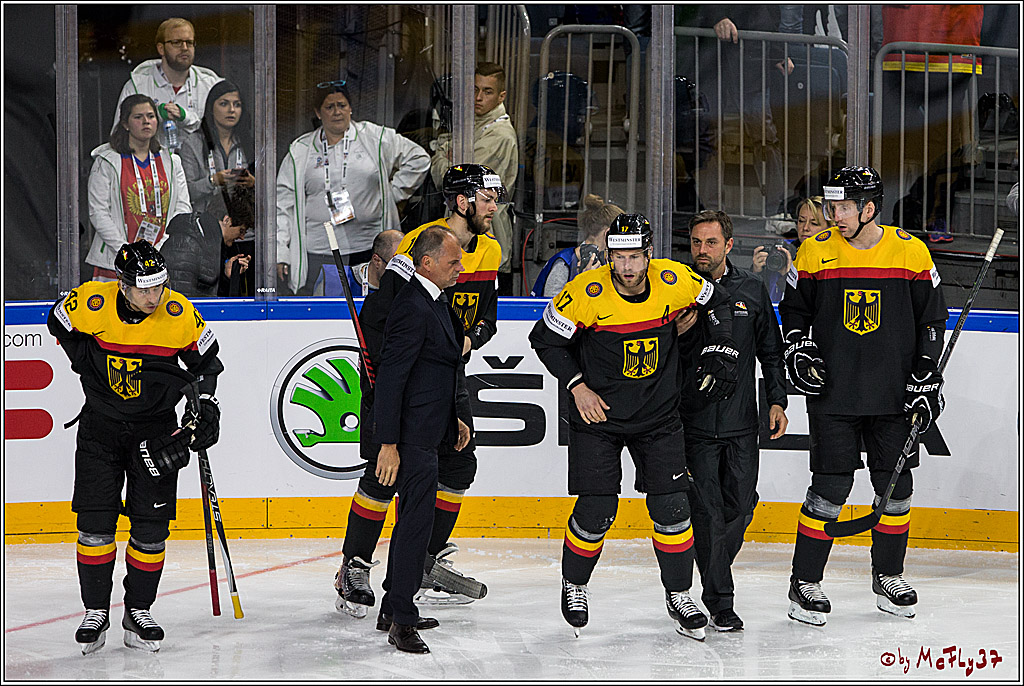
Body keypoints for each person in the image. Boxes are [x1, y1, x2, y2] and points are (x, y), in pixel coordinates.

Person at [529, 214, 739, 640]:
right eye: (618, 257)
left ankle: (679, 593)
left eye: (634, 257)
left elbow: (719, 302)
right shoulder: (583, 293)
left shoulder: (674, 277)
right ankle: (575, 584)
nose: (626, 267)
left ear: (649, 254)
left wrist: (714, 338)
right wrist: (577, 386)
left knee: (673, 510)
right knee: (596, 510)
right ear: (609, 255)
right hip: (598, 420)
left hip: (658, 418)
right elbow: (545, 340)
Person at [333, 165, 505, 618]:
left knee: (459, 464)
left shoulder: (490, 252)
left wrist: (467, 340)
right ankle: (354, 564)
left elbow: (487, 320)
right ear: (463, 201)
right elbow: (379, 316)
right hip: (402, 376)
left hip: (448, 377)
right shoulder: (418, 246)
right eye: (487, 199)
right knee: (385, 471)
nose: (494, 207)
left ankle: (420, 562)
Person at [779, 166, 947, 626]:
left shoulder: (911, 252)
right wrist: (798, 346)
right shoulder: (813, 251)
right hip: (834, 393)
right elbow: (794, 311)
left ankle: (888, 576)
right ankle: (804, 582)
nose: (834, 215)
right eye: (832, 206)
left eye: (843, 207)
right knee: (830, 489)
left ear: (869, 209)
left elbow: (932, 321)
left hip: (894, 395)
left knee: (896, 490)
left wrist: (927, 375)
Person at [46, 241, 224, 654]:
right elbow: (57, 320)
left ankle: (138, 610)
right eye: (144, 289)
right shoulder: (92, 300)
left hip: (155, 432)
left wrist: (208, 407)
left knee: (150, 531)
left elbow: (208, 362)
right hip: (100, 430)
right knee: (94, 526)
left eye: (159, 287)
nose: (154, 297)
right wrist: (84, 360)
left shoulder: (178, 313)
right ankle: (95, 611)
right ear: (122, 284)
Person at [676, 210, 789, 632]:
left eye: (710, 243)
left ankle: (710, 569)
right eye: (696, 243)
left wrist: (777, 401)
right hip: (695, 424)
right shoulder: (676, 290)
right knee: (706, 513)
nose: (702, 251)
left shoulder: (752, 289)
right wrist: (681, 332)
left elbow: (771, 353)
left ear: (728, 244)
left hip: (743, 424)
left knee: (740, 507)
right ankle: (721, 602)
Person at [372, 227, 471, 654]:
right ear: (427, 263)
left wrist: (458, 417)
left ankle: (392, 608)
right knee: (415, 525)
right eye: (453, 262)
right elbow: (391, 378)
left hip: (433, 431)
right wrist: (388, 444)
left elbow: (442, 368)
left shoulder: (436, 302)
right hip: (411, 439)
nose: (461, 268)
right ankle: (402, 621)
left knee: (414, 523)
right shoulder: (412, 306)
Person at [276, 81, 429, 296]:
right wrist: (281, 252)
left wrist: (392, 194)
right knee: (321, 313)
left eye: (342, 105)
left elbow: (419, 159)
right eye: (329, 107)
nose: (337, 112)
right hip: (318, 251)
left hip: (367, 248)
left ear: (351, 109)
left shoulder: (374, 137)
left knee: (368, 309)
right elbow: (283, 205)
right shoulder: (301, 150)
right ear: (318, 113)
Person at [699, 6, 794, 224]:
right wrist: (717, 16)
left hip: (752, 61)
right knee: (710, 138)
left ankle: (774, 210)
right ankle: (711, 213)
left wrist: (779, 53)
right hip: (713, 62)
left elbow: (770, 15)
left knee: (766, 138)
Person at [430, 62, 519, 294]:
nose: (478, 97)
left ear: (501, 96)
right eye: (475, 90)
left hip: (488, 239)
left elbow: (449, 181)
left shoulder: (499, 134)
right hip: (464, 239)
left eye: (487, 92)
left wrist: (444, 155)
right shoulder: (469, 125)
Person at [87, 94, 191, 281]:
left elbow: (183, 208)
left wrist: (160, 246)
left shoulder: (172, 161)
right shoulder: (106, 161)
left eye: (151, 116)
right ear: (125, 124)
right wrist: (126, 251)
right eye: (138, 117)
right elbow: (98, 212)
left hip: (160, 257)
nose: (146, 122)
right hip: (114, 260)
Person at [111, 18, 221, 146]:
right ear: (161, 48)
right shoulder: (137, 86)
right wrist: (155, 115)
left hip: (200, 165)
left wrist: (185, 117)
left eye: (189, 42)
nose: (184, 48)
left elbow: (223, 136)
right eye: (176, 42)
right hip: (151, 163)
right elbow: (119, 137)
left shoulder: (211, 85)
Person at [179, 79, 255, 221]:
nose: (231, 110)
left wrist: (253, 183)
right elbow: (185, 191)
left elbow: (270, 193)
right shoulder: (193, 143)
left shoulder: (249, 143)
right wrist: (213, 181)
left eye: (237, 105)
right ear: (211, 108)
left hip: (245, 229)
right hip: (206, 228)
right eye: (224, 104)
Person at [531, 193, 623, 297]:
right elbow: (553, 307)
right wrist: (583, 282)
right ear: (608, 233)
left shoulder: (610, 262)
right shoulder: (564, 263)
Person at [753, 196, 830, 303]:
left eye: (814, 223)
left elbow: (810, 304)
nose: (805, 228)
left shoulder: (833, 260)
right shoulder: (785, 252)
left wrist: (788, 277)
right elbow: (757, 299)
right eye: (801, 221)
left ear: (830, 228)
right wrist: (756, 272)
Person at [312, 229, 404, 297]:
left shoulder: (407, 285)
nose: (403, 272)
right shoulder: (336, 280)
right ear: (377, 261)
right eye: (396, 265)